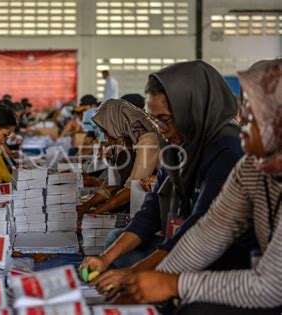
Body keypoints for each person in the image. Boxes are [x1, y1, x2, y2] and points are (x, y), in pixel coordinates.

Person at [123, 59, 282, 314]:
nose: (242, 125)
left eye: (253, 118)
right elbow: (210, 231)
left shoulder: (227, 151)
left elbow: (274, 285)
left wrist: (174, 283)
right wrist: (150, 280)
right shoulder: (252, 168)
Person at [80, 61, 248, 299]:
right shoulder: (176, 144)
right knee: (114, 240)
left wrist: (133, 275)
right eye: (154, 119)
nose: (159, 129)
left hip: (220, 261)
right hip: (180, 242)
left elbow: (200, 229)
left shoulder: (227, 150)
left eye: (165, 119)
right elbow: (152, 209)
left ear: (193, 110)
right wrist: (105, 259)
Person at [78, 99, 159, 215]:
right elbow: (111, 183)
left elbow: (133, 187)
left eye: (105, 131)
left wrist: (96, 211)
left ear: (114, 123)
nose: (105, 137)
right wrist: (86, 206)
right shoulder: (124, 137)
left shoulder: (148, 137)